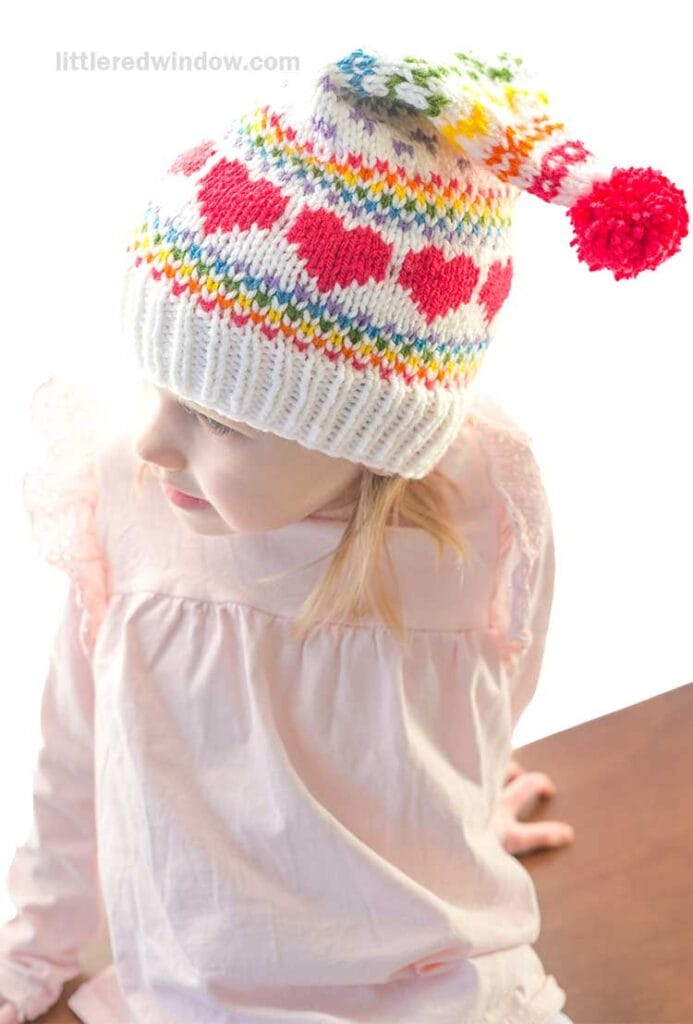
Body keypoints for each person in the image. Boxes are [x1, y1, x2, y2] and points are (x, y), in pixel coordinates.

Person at [0, 45, 687, 1024]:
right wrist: (31, 954)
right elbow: (74, 750)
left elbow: (497, 690)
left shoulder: (484, 502)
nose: (153, 442)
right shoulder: (121, 484)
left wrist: (465, 810)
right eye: (158, 386)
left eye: (223, 421)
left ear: (374, 439)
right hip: (202, 987)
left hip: (439, 975)